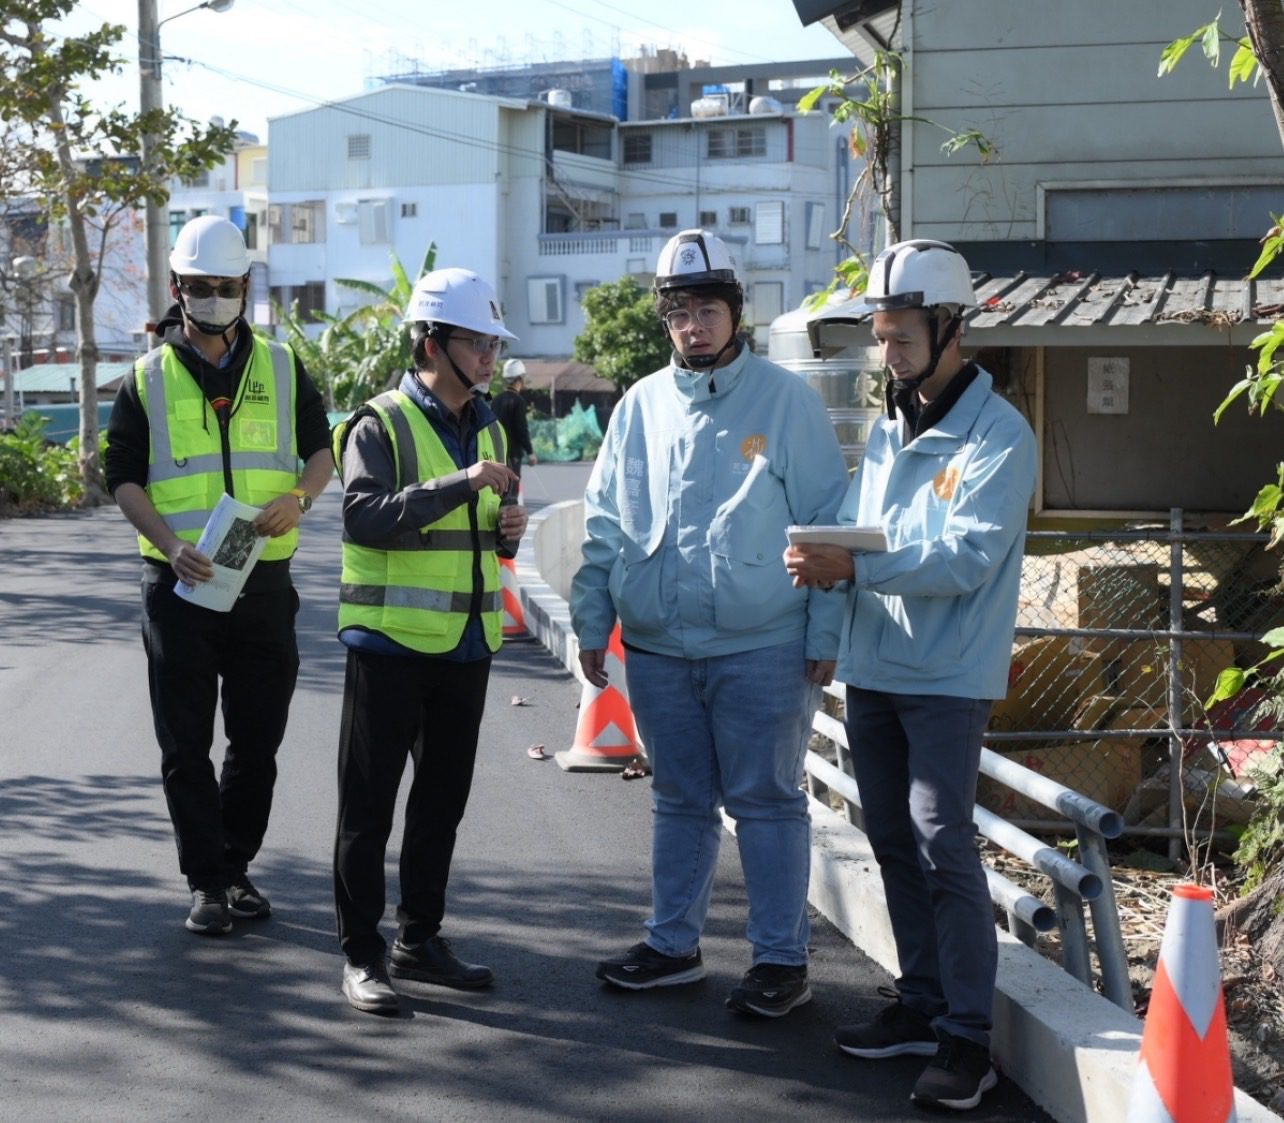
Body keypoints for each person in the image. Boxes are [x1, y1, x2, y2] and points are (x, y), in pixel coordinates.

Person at [784, 239, 1038, 1111]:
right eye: (881, 337)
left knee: (942, 839)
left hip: (946, 676)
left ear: (949, 327)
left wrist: (849, 570)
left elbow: (965, 556)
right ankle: (926, 1004)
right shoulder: (893, 427)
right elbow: (866, 532)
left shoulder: (1001, 435)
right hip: (876, 665)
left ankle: (969, 1040)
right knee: (892, 835)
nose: (886, 353)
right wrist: (826, 568)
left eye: (898, 336)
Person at [570, 230, 849, 1018]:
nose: (694, 325)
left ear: (736, 311)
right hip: (660, 645)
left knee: (766, 798)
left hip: (764, 642)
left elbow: (826, 521)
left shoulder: (786, 400)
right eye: (680, 311)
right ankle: (671, 945)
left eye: (708, 308)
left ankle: (780, 960)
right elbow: (604, 523)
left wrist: (824, 632)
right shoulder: (640, 406)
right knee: (679, 799)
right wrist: (593, 615)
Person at [105, 214, 333, 935]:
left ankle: (236, 865)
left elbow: (320, 454)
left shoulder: (283, 365)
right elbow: (123, 480)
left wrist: (297, 500)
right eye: (199, 287)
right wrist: (171, 544)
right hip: (180, 586)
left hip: (262, 585)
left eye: (225, 286)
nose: (212, 298)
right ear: (176, 289)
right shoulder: (144, 380)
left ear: (245, 288)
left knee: (257, 740)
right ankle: (205, 881)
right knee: (185, 743)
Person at [331, 267, 529, 1015]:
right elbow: (363, 516)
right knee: (369, 806)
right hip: (388, 645)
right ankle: (360, 954)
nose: (488, 356)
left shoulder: (492, 424)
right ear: (431, 342)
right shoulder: (376, 423)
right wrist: (461, 483)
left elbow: (491, 537)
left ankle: (420, 937)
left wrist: (509, 530)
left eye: (491, 343)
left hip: (467, 645)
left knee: (441, 802)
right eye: (475, 342)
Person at [491, 358, 538, 480]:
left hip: (496, 453)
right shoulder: (518, 401)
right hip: (513, 454)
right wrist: (530, 452)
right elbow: (521, 429)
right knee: (511, 491)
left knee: (499, 491)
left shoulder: (496, 400)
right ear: (519, 379)